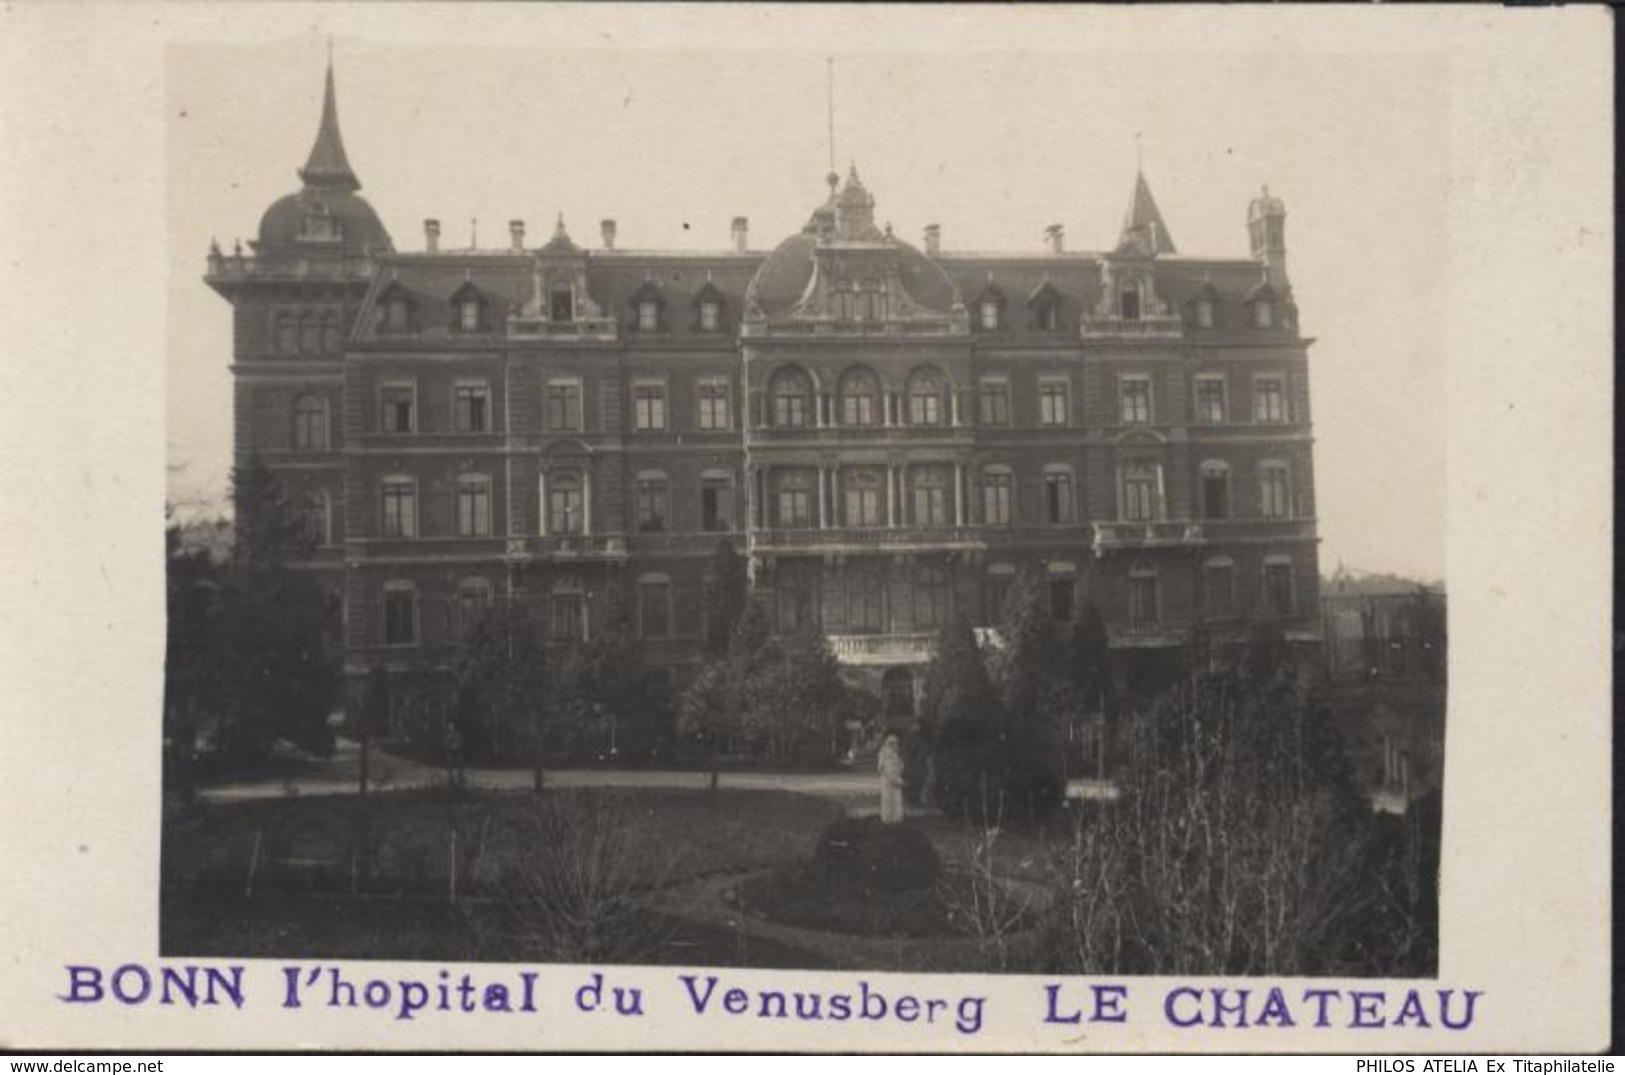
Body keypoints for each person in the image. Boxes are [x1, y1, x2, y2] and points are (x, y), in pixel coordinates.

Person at [877, 734, 905, 824]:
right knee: (887, 800)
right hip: (888, 781)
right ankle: (888, 819)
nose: (896, 745)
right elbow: (884, 769)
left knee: (895, 800)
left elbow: (899, 767)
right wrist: (894, 779)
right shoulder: (886, 754)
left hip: (894, 779)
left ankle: (895, 818)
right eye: (893, 743)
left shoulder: (895, 754)